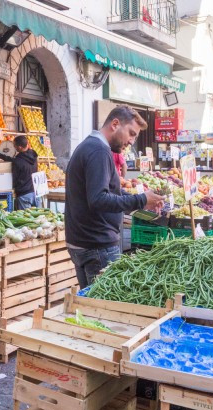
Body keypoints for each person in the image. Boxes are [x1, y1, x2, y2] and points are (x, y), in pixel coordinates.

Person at [65, 105, 164, 288]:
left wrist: (142, 202)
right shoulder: (99, 151)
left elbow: (109, 194)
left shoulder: (90, 146)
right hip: (97, 246)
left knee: (90, 306)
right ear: (115, 124)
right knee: (103, 308)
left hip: (85, 242)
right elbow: (99, 199)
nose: (132, 141)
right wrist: (141, 199)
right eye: (131, 133)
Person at [0, 135, 38, 209]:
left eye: (14, 145)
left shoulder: (18, 161)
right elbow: (13, 160)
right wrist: (0, 155)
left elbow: (14, 178)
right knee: (36, 217)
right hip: (35, 192)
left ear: (20, 147)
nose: (14, 147)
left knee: (25, 218)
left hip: (24, 194)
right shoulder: (33, 156)